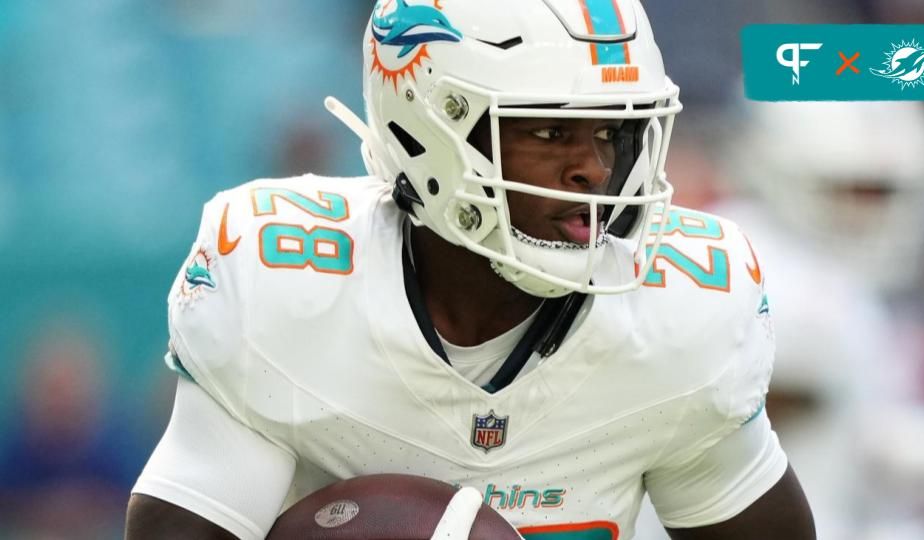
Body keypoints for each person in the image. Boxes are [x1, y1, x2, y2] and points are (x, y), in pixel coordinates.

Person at [126, 1, 814, 539]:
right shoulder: (288, 291)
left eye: (612, 133)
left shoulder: (682, 318)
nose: (594, 170)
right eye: (549, 133)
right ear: (428, 129)